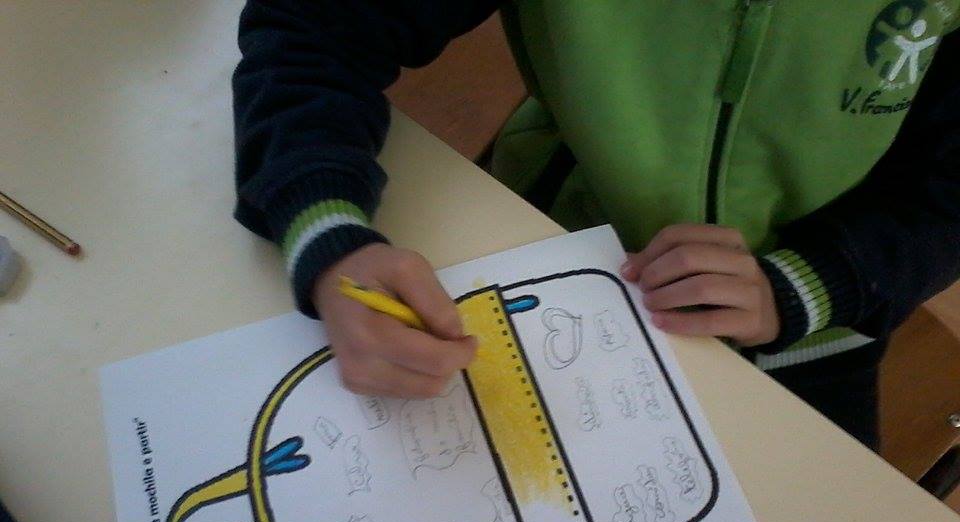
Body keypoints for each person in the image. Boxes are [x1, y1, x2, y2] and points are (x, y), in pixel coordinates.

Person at [231, 1, 960, 450]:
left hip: (820, 316)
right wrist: (326, 228)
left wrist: (815, 281)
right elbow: (314, 28)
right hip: (546, 246)